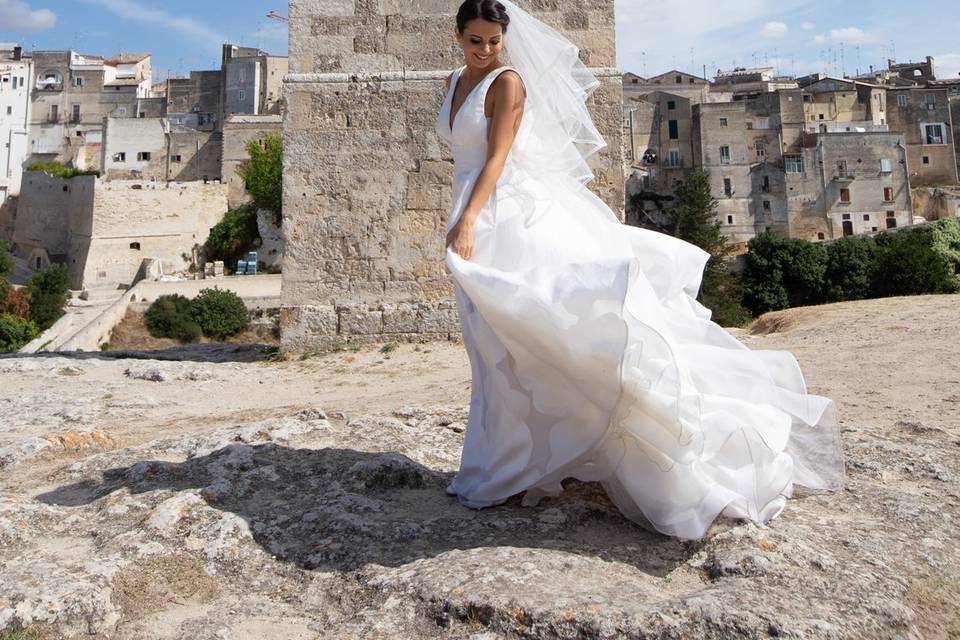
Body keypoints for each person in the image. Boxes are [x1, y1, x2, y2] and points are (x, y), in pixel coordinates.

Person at [437, 0, 844, 540]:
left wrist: (468, 219)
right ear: (458, 36)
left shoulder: (507, 83)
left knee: (529, 335)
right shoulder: (453, 81)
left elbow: (497, 159)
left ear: (505, 38)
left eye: (493, 41)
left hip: (503, 215)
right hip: (479, 208)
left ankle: (520, 461)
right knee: (493, 339)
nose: (485, 50)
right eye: (475, 41)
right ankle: (514, 458)